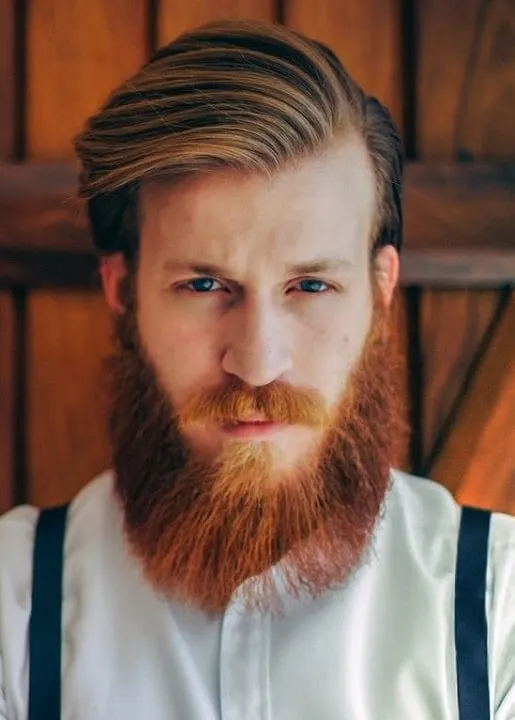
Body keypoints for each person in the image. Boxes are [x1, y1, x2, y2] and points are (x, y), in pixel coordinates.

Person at [0, 19, 514, 720]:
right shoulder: (13, 601)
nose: (256, 363)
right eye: (204, 286)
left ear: (380, 291)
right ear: (122, 294)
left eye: (309, 286)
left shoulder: (499, 603)